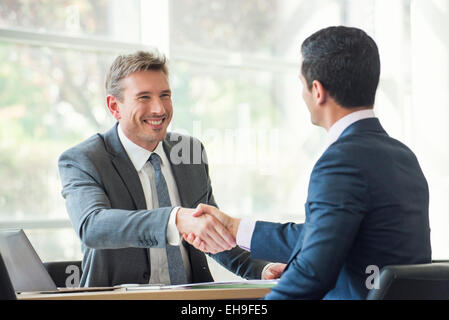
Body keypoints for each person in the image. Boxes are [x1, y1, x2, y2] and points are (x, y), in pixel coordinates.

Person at [185, 26, 432, 299]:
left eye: (301, 84)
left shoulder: (340, 162)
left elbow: (312, 274)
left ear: (317, 91)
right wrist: (235, 228)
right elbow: (327, 234)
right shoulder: (403, 156)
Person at [58, 50, 283, 287]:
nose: (159, 109)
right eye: (144, 97)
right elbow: (93, 226)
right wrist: (175, 219)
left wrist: (262, 268)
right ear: (115, 106)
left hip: (191, 301)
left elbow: (212, 235)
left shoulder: (190, 151)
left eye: (165, 95)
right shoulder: (84, 159)